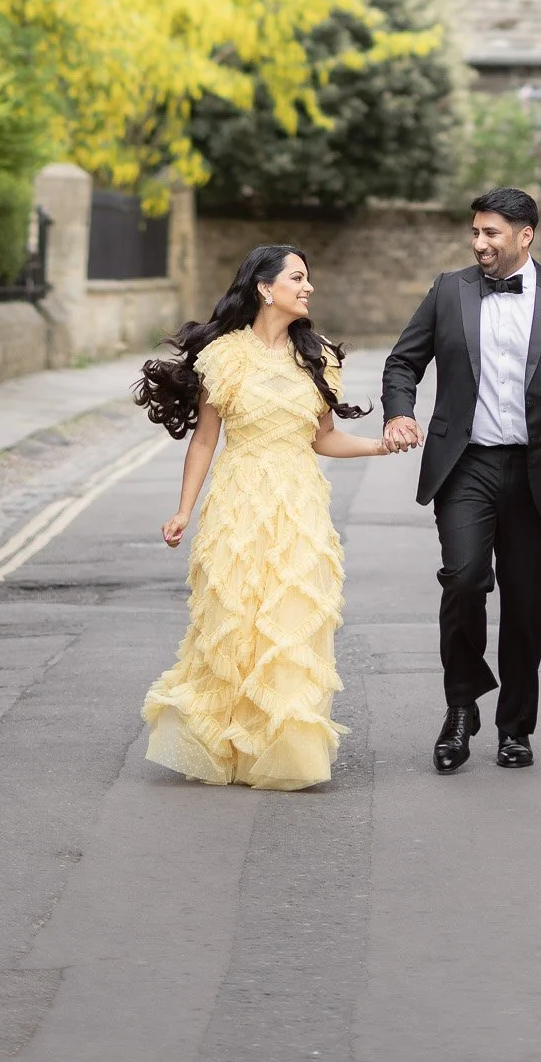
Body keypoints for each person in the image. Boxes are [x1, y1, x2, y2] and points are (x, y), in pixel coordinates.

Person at [134, 243, 407, 790]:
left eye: (308, 279)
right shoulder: (224, 356)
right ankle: (224, 745)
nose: (308, 288)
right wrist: (184, 509)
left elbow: (324, 439)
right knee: (232, 620)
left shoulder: (319, 356)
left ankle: (285, 751)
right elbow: (205, 440)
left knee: (288, 621)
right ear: (265, 287)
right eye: (298, 278)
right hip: (237, 503)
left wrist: (381, 446)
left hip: (300, 506)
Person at [380, 186, 541, 771]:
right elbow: (403, 361)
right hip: (466, 465)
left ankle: (516, 727)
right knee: (463, 579)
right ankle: (461, 707)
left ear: (525, 236)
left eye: (491, 234)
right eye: (475, 233)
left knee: (527, 603)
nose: (479, 243)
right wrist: (399, 411)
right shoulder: (448, 291)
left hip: (536, 469)